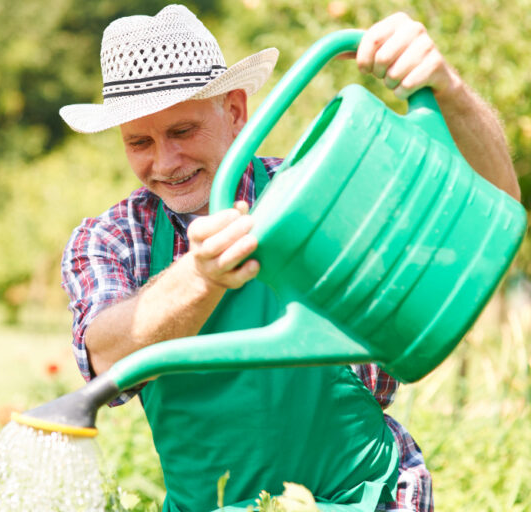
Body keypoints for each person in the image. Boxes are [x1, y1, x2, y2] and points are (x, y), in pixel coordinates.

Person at [59, 5, 520, 512]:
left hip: (363, 500)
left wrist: (448, 91)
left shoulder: (325, 186)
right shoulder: (113, 237)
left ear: (234, 110)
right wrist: (201, 275)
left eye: (183, 131)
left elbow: (491, 207)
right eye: (140, 142)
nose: (165, 162)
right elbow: (104, 356)